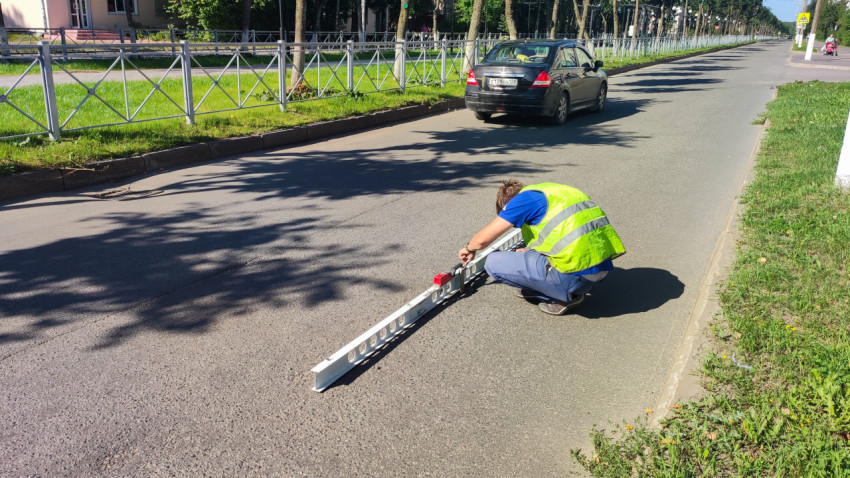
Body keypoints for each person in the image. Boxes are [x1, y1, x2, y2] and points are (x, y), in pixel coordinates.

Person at [458, 179, 625, 315]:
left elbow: (481, 241)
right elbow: (562, 233)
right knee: (524, 254)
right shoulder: (554, 191)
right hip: (601, 269)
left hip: (574, 278)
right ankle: (562, 288)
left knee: (493, 262)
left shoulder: (521, 201)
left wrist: (469, 248)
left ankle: (561, 297)